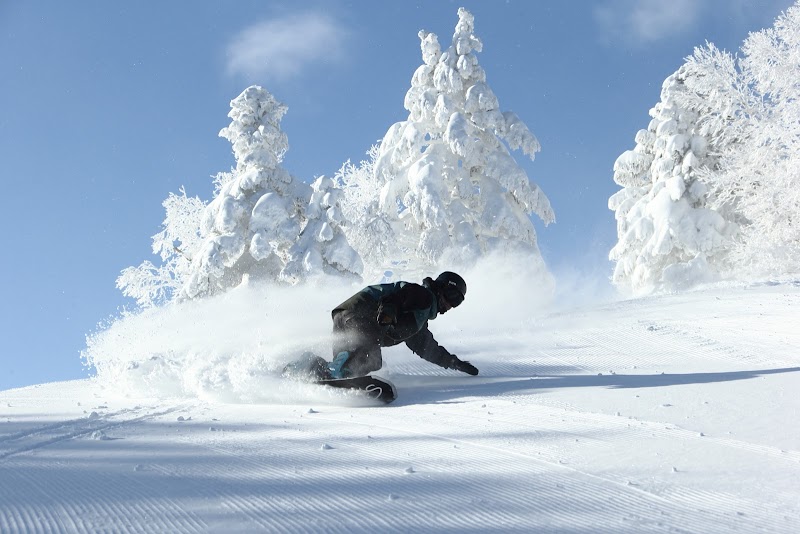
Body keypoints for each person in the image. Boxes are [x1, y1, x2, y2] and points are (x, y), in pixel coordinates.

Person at [327, 271, 478, 379]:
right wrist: (388, 312)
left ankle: (327, 373)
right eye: (452, 296)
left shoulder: (418, 320)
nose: (450, 304)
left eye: (457, 302)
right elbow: (395, 297)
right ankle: (342, 372)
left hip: (344, 316)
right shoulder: (422, 295)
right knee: (371, 360)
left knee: (346, 364)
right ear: (441, 287)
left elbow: (427, 348)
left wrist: (453, 362)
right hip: (359, 314)